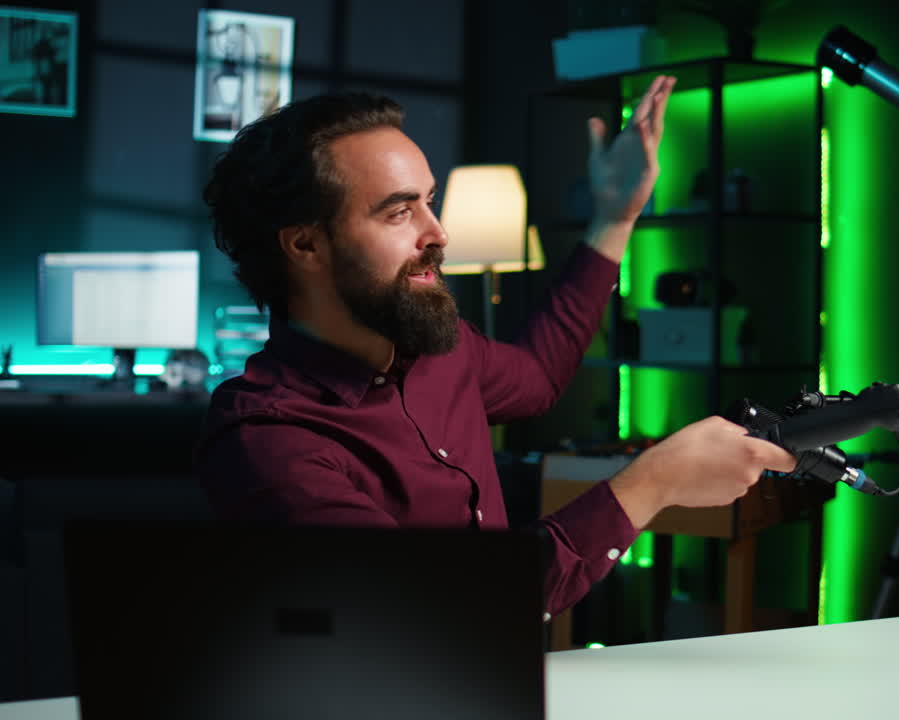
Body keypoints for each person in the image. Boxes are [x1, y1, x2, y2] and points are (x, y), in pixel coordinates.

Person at [194, 77, 796, 618]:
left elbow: (538, 374)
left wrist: (614, 217)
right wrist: (651, 483)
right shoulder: (267, 438)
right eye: (399, 212)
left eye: (428, 201)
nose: (438, 233)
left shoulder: (438, 349)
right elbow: (435, 617)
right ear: (306, 246)